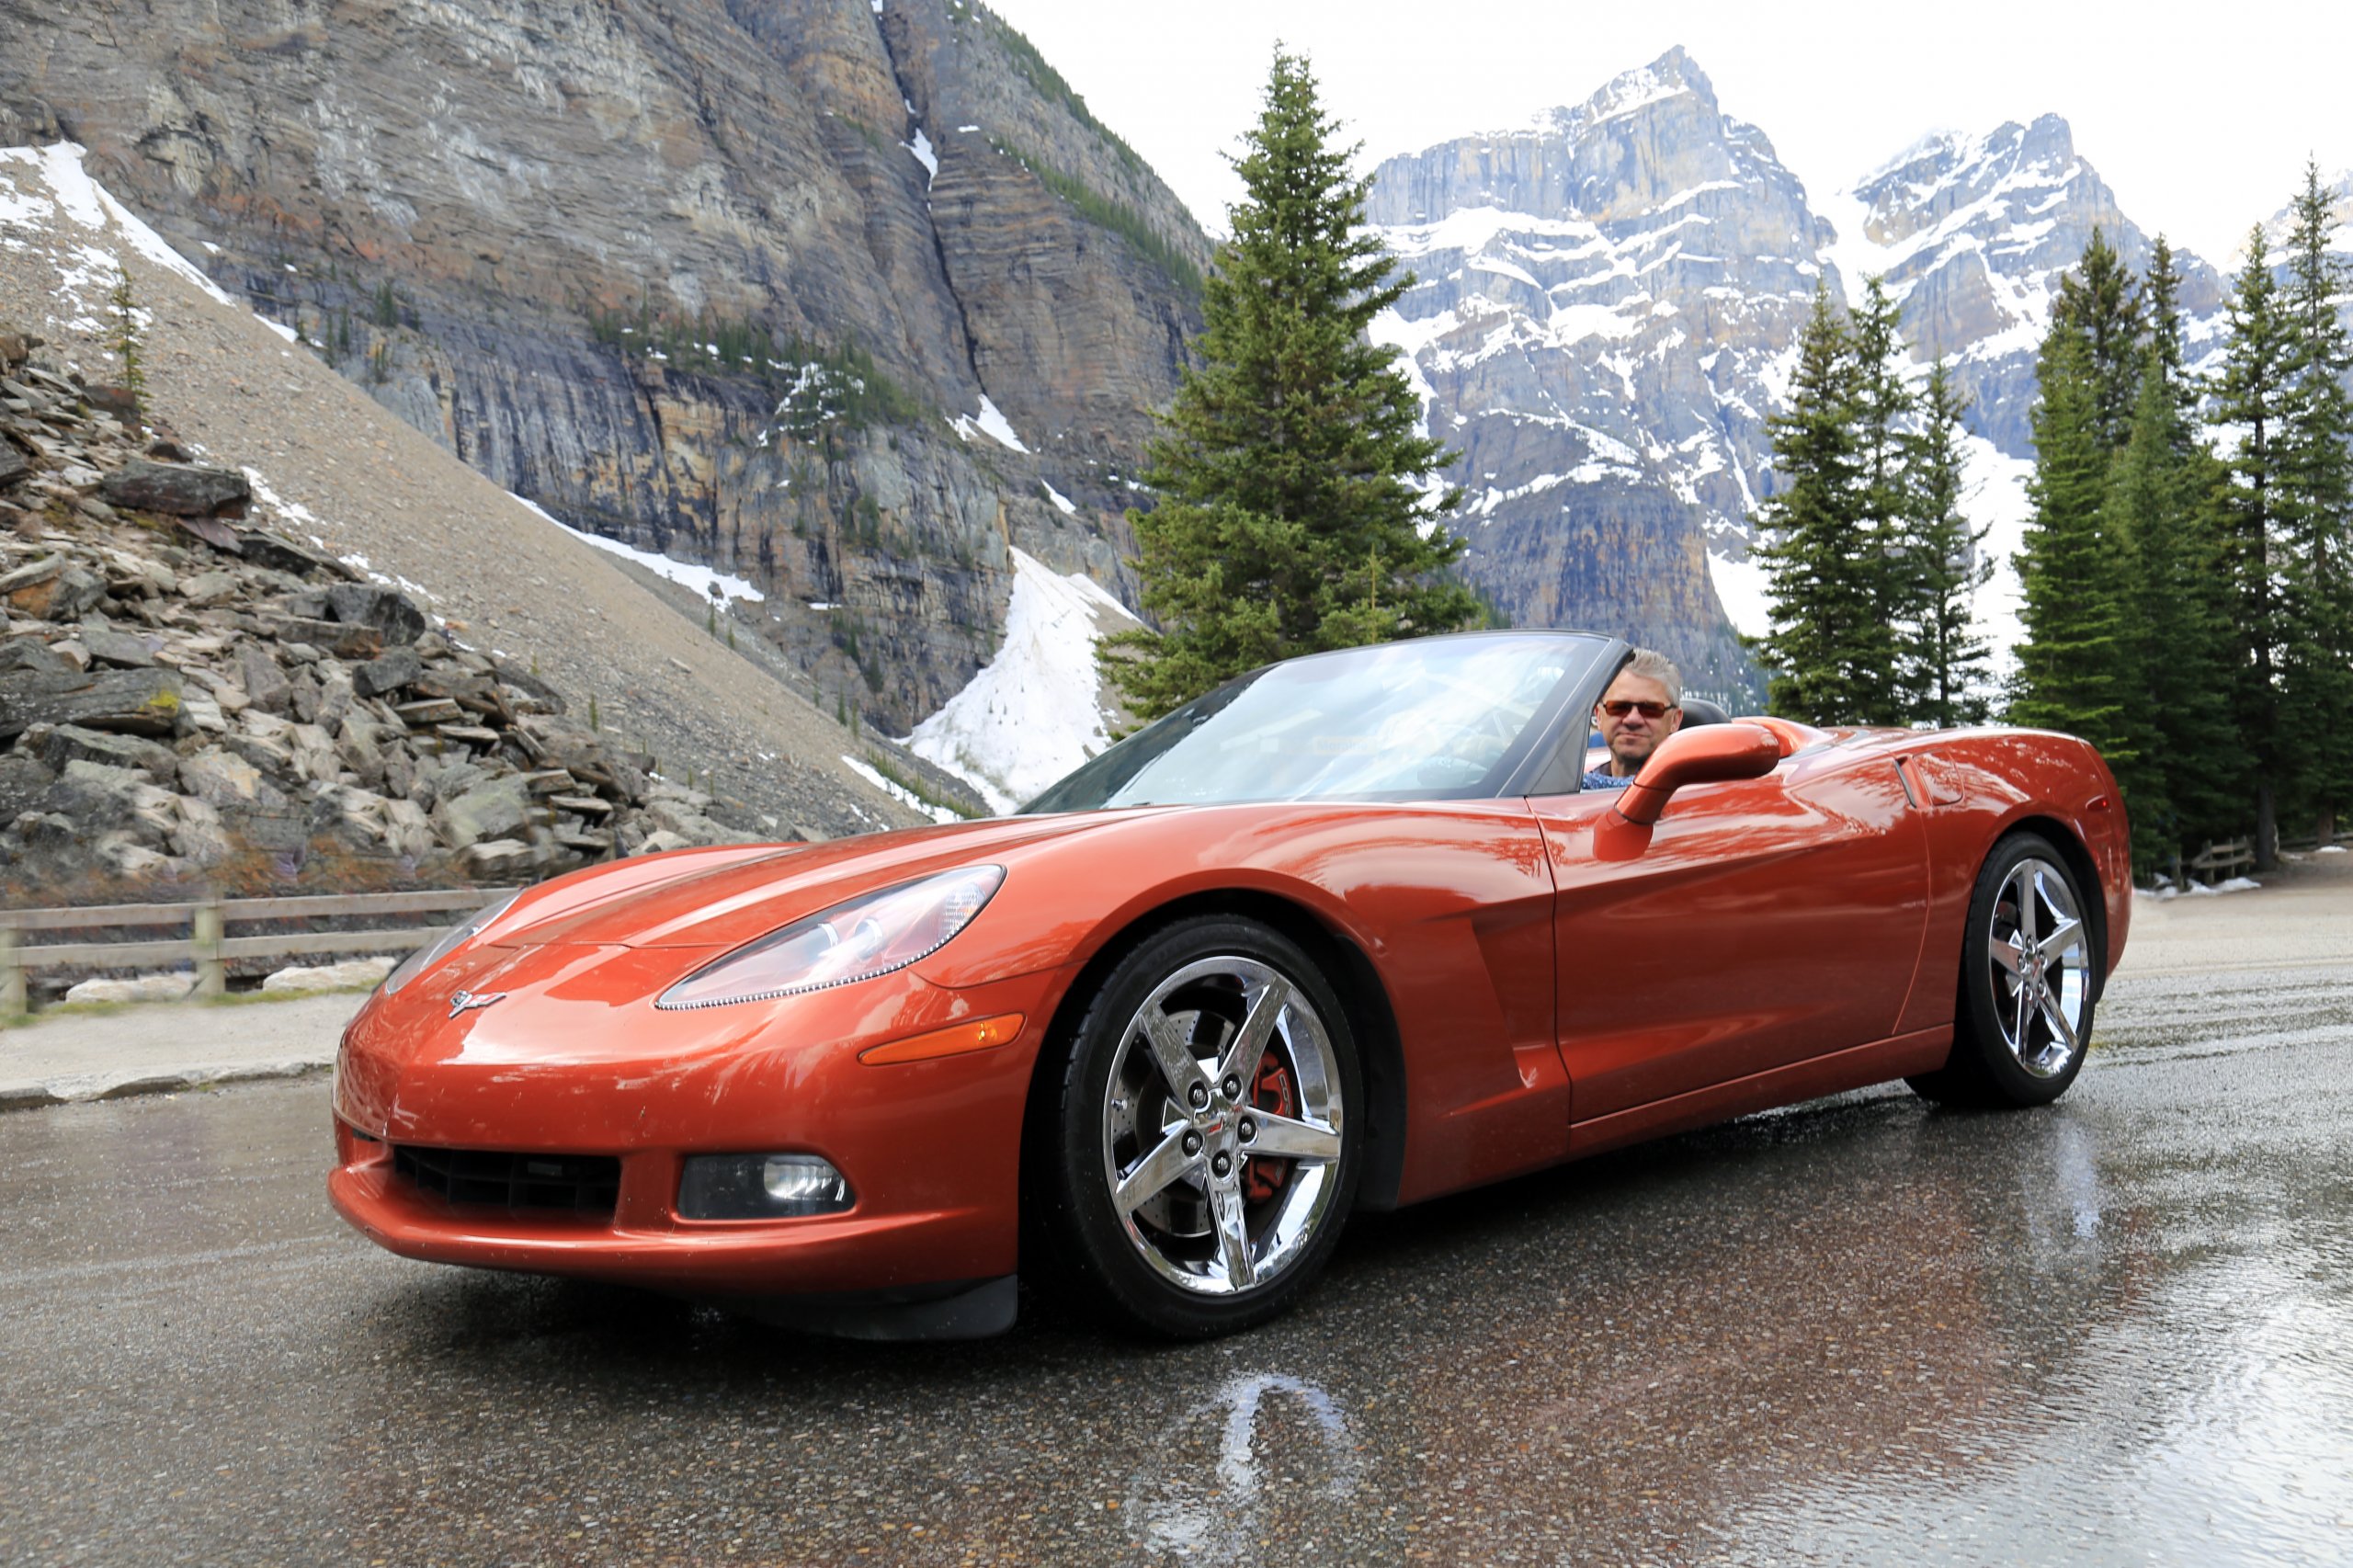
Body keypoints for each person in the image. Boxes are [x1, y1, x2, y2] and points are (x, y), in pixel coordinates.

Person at [1581, 650, 1683, 791]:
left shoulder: (1690, 792)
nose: (1632, 719)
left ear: (1674, 720)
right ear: (1599, 717)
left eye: (1650, 709)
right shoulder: (1577, 790)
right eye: (1619, 707)